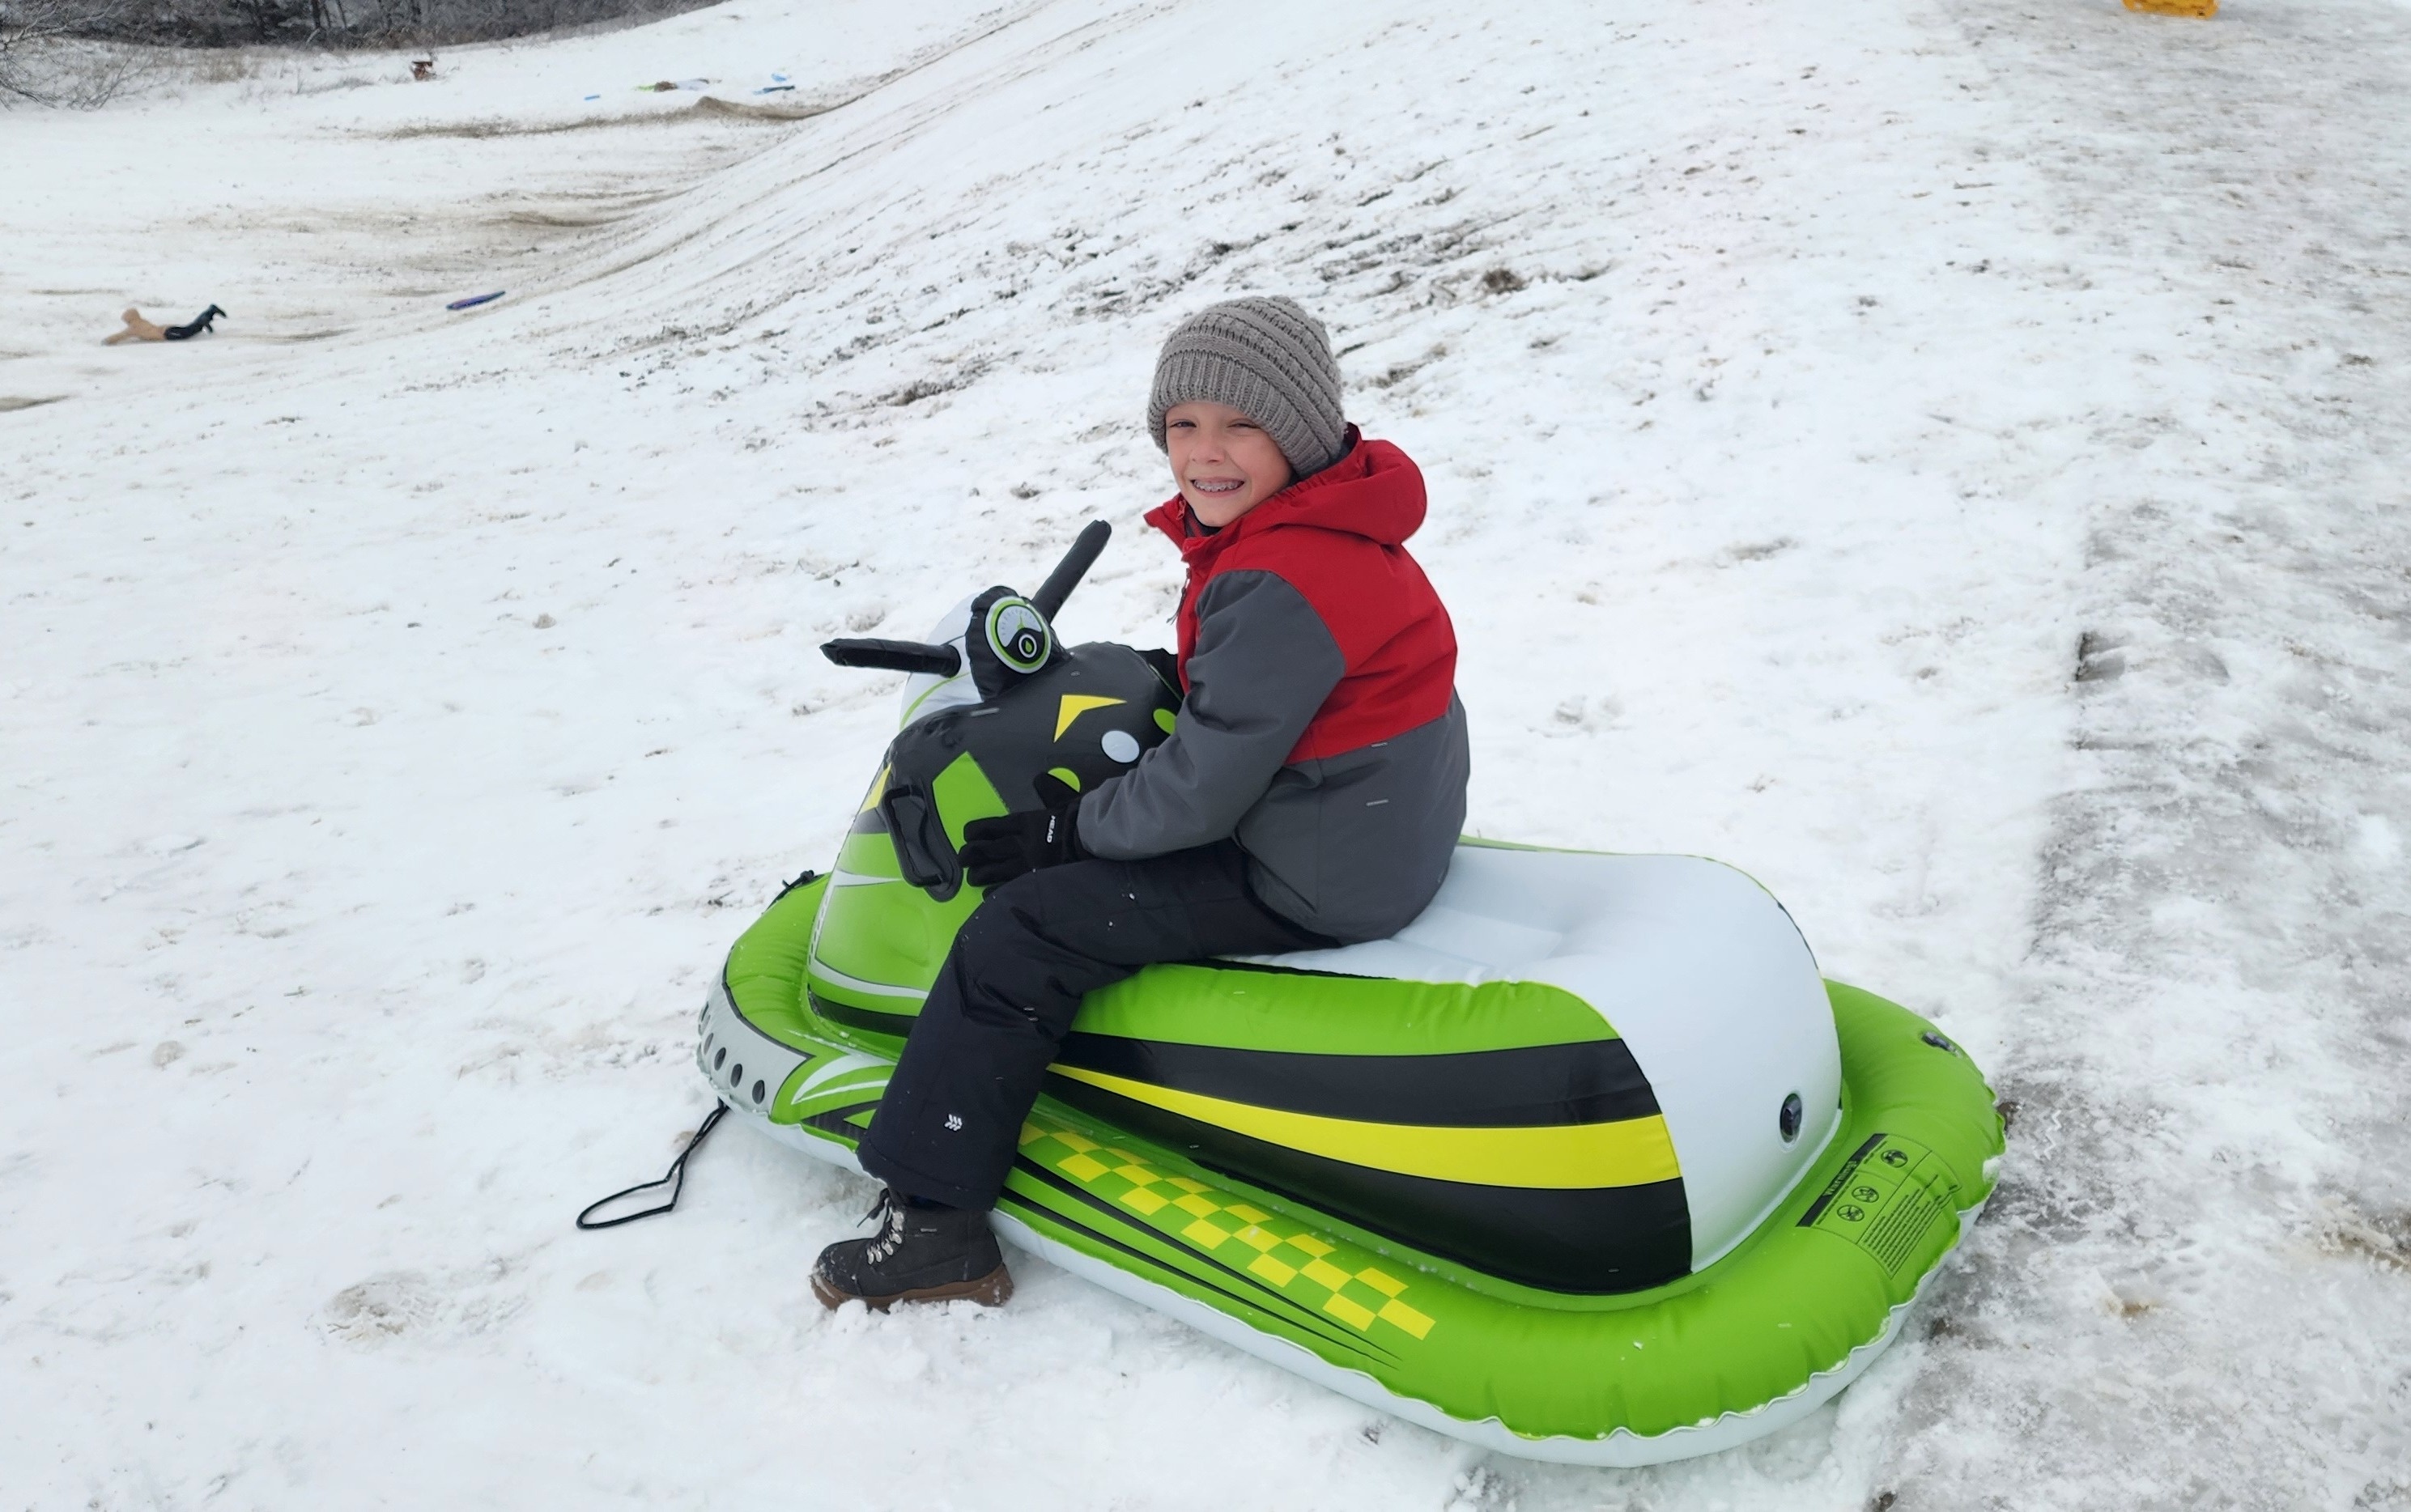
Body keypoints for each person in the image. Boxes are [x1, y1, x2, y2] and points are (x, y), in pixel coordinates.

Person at [812, 295, 1470, 1310]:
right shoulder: (1339, 524)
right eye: (1182, 426)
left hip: (1310, 873)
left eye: (1239, 424)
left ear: (1296, 428)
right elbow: (1277, 687)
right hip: (1376, 825)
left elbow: (1202, 791)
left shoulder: (1279, 570)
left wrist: (1065, 829)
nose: (1204, 453)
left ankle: (935, 1226)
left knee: (1018, 931)